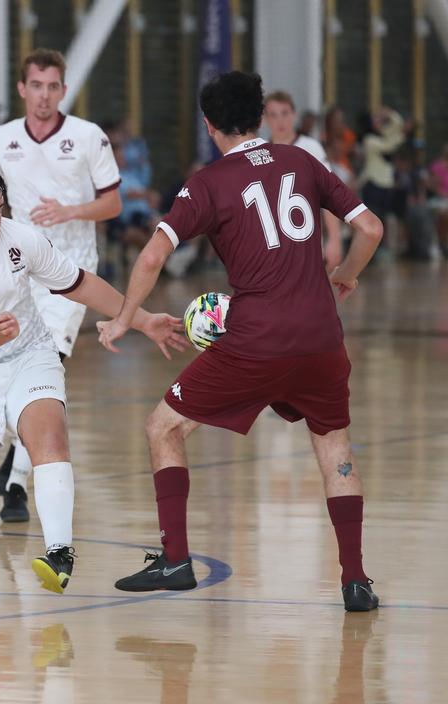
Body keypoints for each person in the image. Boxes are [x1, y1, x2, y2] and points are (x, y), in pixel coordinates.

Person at [98, 71, 384, 612]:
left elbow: (154, 255)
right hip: (323, 338)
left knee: (164, 426)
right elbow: (371, 229)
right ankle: (355, 580)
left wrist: (123, 319)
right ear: (259, 116)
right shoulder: (302, 161)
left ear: (209, 125)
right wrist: (345, 274)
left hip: (255, 341)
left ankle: (177, 559)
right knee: (334, 448)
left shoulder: (207, 183)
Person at [0, 160, 184, 604]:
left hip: (27, 353)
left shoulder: (20, 239)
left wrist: (140, 319)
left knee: (49, 435)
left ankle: (59, 553)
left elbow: (79, 284)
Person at [0, 48, 122, 522]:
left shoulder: (87, 137)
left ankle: (17, 486)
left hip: (71, 271)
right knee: (11, 373)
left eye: (53, 86)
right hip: (18, 272)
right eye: (36, 86)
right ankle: (11, 460)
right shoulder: (2, 139)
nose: (44, 95)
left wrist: (70, 211)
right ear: (22, 89)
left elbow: (113, 204)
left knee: (46, 369)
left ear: (64, 89)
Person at [264, 91, 344, 269]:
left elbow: (329, 195)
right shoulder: (260, 154)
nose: (280, 120)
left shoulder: (310, 148)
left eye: (284, 113)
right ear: (265, 119)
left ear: (294, 115)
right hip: (271, 248)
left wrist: (335, 239)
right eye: (273, 115)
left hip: (307, 244)